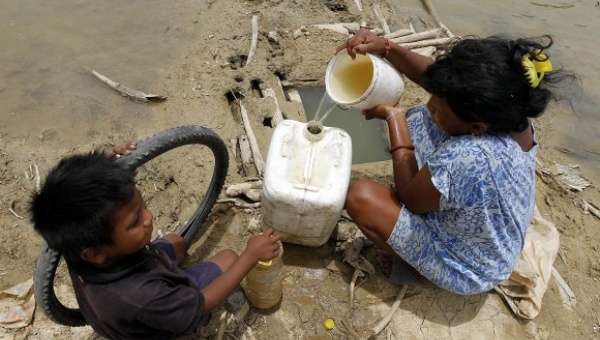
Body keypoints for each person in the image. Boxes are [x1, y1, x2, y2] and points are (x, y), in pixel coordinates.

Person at [336, 29, 575, 295]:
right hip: (484, 234)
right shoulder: (510, 117)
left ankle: (421, 271)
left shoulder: (471, 158)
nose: (430, 105)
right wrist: (388, 48)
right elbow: (441, 83)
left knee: (362, 198)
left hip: (468, 268)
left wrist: (394, 119)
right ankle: (434, 203)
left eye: (439, 108)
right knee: (420, 121)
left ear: (475, 127)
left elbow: (411, 198)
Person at [29, 143, 281, 339]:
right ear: (95, 253)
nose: (149, 217)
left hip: (130, 273)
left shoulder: (78, 242)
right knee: (229, 258)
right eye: (135, 221)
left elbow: (82, 193)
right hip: (159, 324)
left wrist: (110, 169)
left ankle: (165, 264)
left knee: (177, 242)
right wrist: (250, 256)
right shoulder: (143, 296)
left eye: (142, 207)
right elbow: (204, 304)